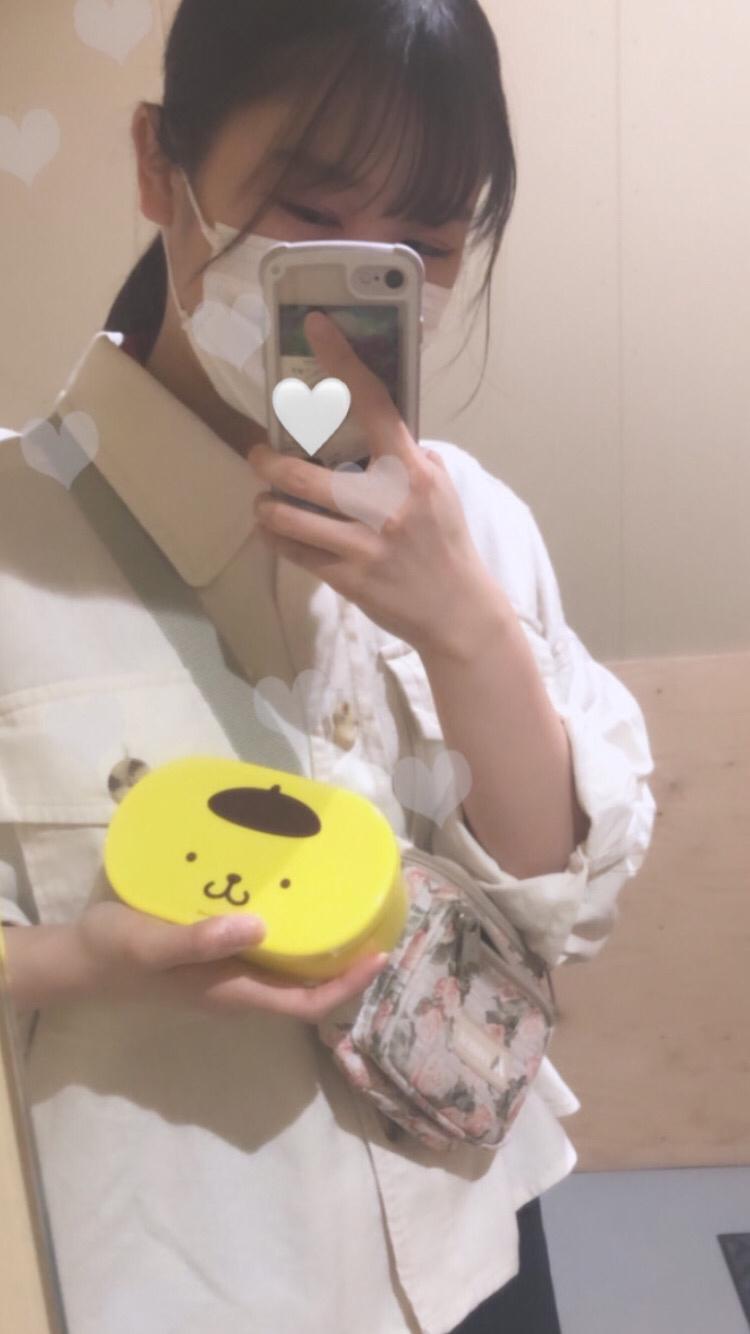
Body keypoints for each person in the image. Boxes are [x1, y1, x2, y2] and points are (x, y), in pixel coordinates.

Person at [0, 2, 657, 1332]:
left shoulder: (473, 524)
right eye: (308, 210)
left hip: (477, 1246)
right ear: (157, 167)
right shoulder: (21, 529)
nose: (357, 275)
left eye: (421, 243)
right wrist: (72, 961)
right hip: (187, 1281)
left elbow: (558, 909)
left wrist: (464, 627)